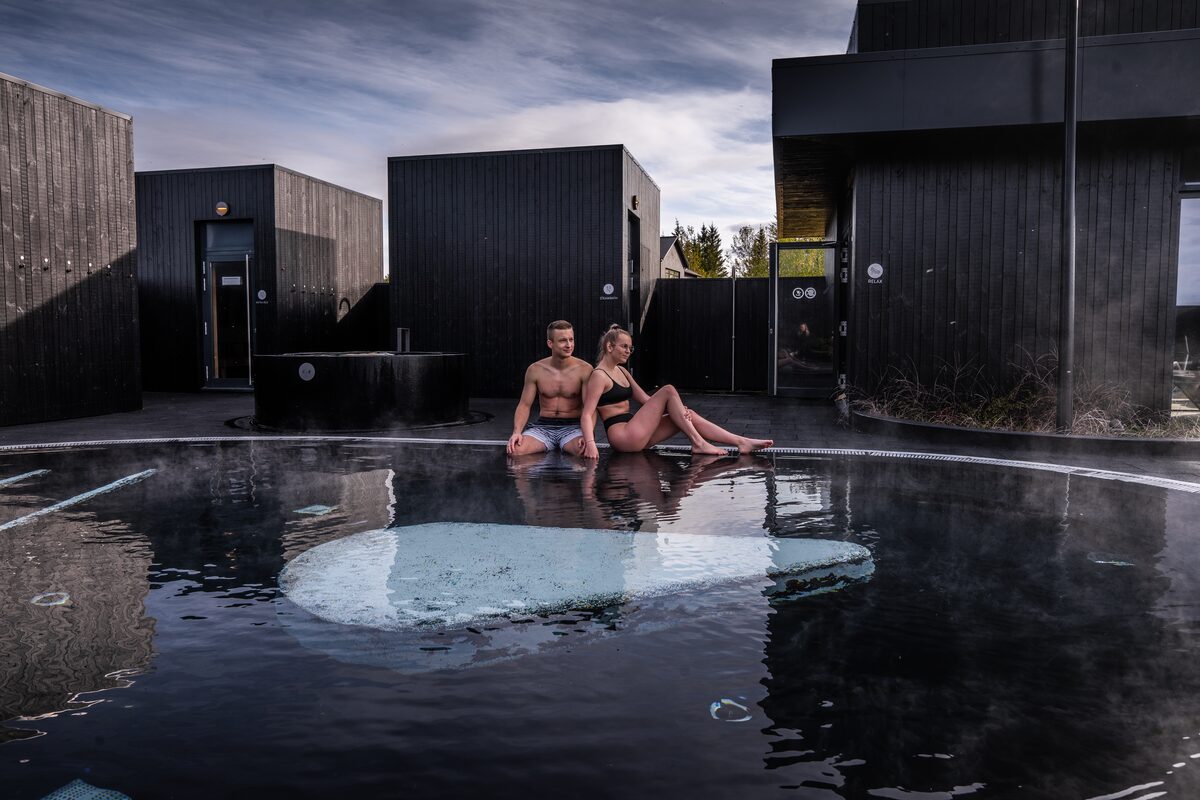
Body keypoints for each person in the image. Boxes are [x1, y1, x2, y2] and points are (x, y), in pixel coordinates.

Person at [579, 325, 772, 459]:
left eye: (631, 347)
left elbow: (647, 400)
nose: (629, 351)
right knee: (668, 390)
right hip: (623, 437)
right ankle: (698, 442)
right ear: (609, 346)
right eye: (624, 346)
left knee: (689, 415)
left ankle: (741, 441)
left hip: (637, 432)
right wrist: (590, 443)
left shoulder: (621, 371)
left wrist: (677, 409)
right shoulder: (599, 375)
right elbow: (588, 413)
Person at [507, 320, 593, 456]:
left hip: (573, 427)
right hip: (543, 427)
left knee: (584, 452)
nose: (569, 345)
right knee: (515, 451)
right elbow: (524, 405)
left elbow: (590, 409)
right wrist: (516, 432)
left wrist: (588, 438)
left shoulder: (585, 370)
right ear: (550, 343)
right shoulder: (535, 369)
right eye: (563, 341)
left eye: (571, 339)